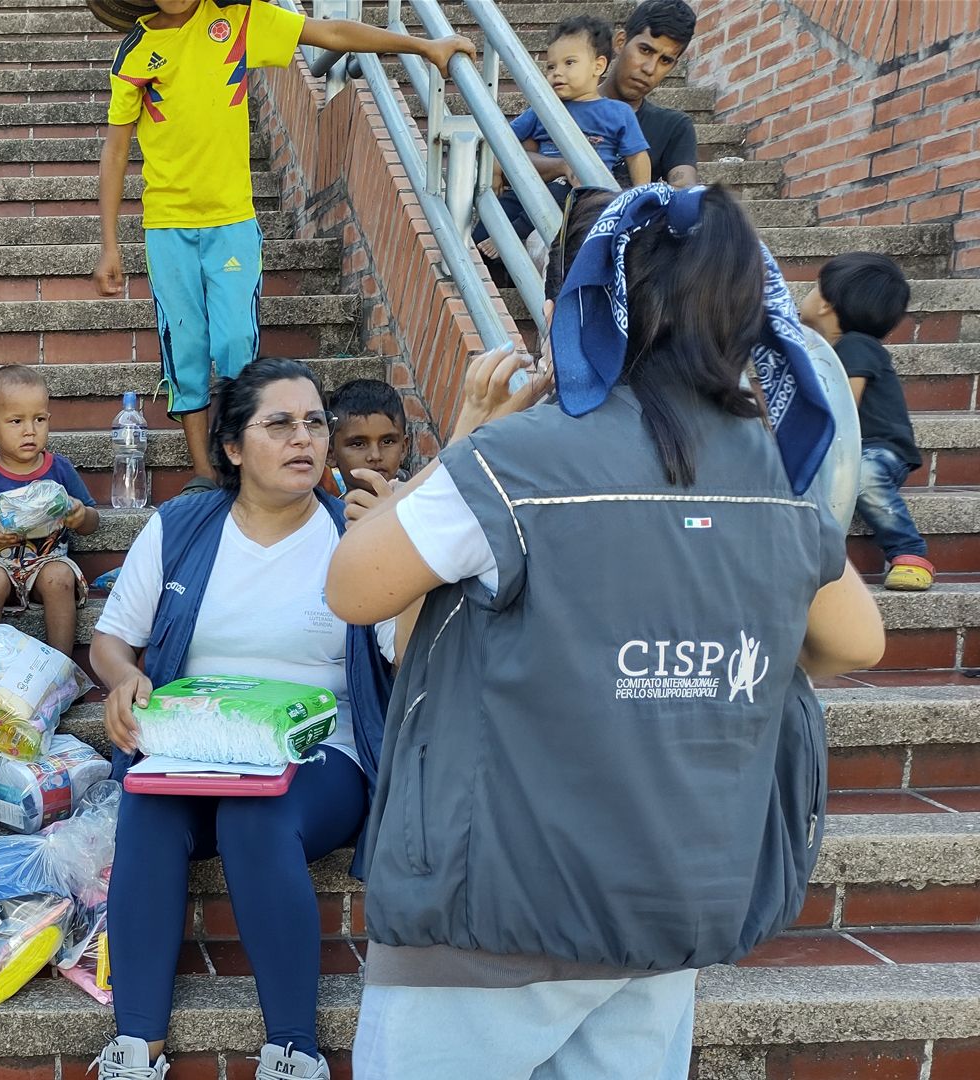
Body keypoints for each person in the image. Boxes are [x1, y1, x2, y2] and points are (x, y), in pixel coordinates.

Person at [327, 184, 886, 1079]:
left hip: (493, 919)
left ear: (574, 306)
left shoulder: (518, 461)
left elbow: (355, 585)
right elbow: (856, 643)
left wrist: (469, 434)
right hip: (663, 912)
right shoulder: (770, 474)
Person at [87, 359, 397, 1080]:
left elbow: (402, 650)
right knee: (148, 807)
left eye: (316, 423)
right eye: (279, 424)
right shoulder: (182, 527)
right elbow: (110, 639)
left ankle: (294, 1050)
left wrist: (392, 540)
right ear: (232, 447)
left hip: (323, 751)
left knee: (254, 818)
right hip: (199, 745)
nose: (304, 439)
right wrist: (126, 679)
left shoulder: (353, 528)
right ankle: (137, 1046)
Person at [91, 0, 474, 494]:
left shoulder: (238, 21)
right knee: (185, 351)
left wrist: (423, 45)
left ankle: (239, 462)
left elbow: (330, 31)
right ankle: (206, 476)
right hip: (167, 228)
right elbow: (116, 147)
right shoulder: (136, 52)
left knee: (234, 345)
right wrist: (108, 244)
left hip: (231, 223)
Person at [0, 365, 100, 658]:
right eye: (16, 421)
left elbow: (92, 519)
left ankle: (59, 667)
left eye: (39, 419)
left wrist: (81, 516)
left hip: (47, 562)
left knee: (59, 577)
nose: (30, 430)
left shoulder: (59, 469)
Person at [800, 252, 931, 590]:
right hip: (852, 448)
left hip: (880, 450)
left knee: (863, 474)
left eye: (815, 287)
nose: (807, 293)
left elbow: (844, 407)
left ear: (827, 304)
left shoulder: (856, 346)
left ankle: (908, 552)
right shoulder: (825, 348)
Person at [475, 15, 649, 261]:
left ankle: (511, 236)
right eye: (551, 66)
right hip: (537, 187)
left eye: (569, 63)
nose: (557, 73)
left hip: (586, 191)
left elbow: (637, 156)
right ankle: (489, 260)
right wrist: (494, 169)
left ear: (598, 66)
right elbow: (503, 137)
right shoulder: (543, 108)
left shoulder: (617, 112)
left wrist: (640, 196)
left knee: (561, 190)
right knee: (497, 212)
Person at [604, 0, 700, 188]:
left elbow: (683, 188)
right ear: (620, 42)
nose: (650, 69)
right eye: (645, 50)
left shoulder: (673, 126)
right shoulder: (562, 107)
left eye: (664, 60)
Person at [325, 378, 410, 495]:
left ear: (403, 448)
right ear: (330, 454)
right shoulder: (327, 512)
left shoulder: (423, 509)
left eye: (388, 442)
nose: (375, 456)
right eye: (358, 444)